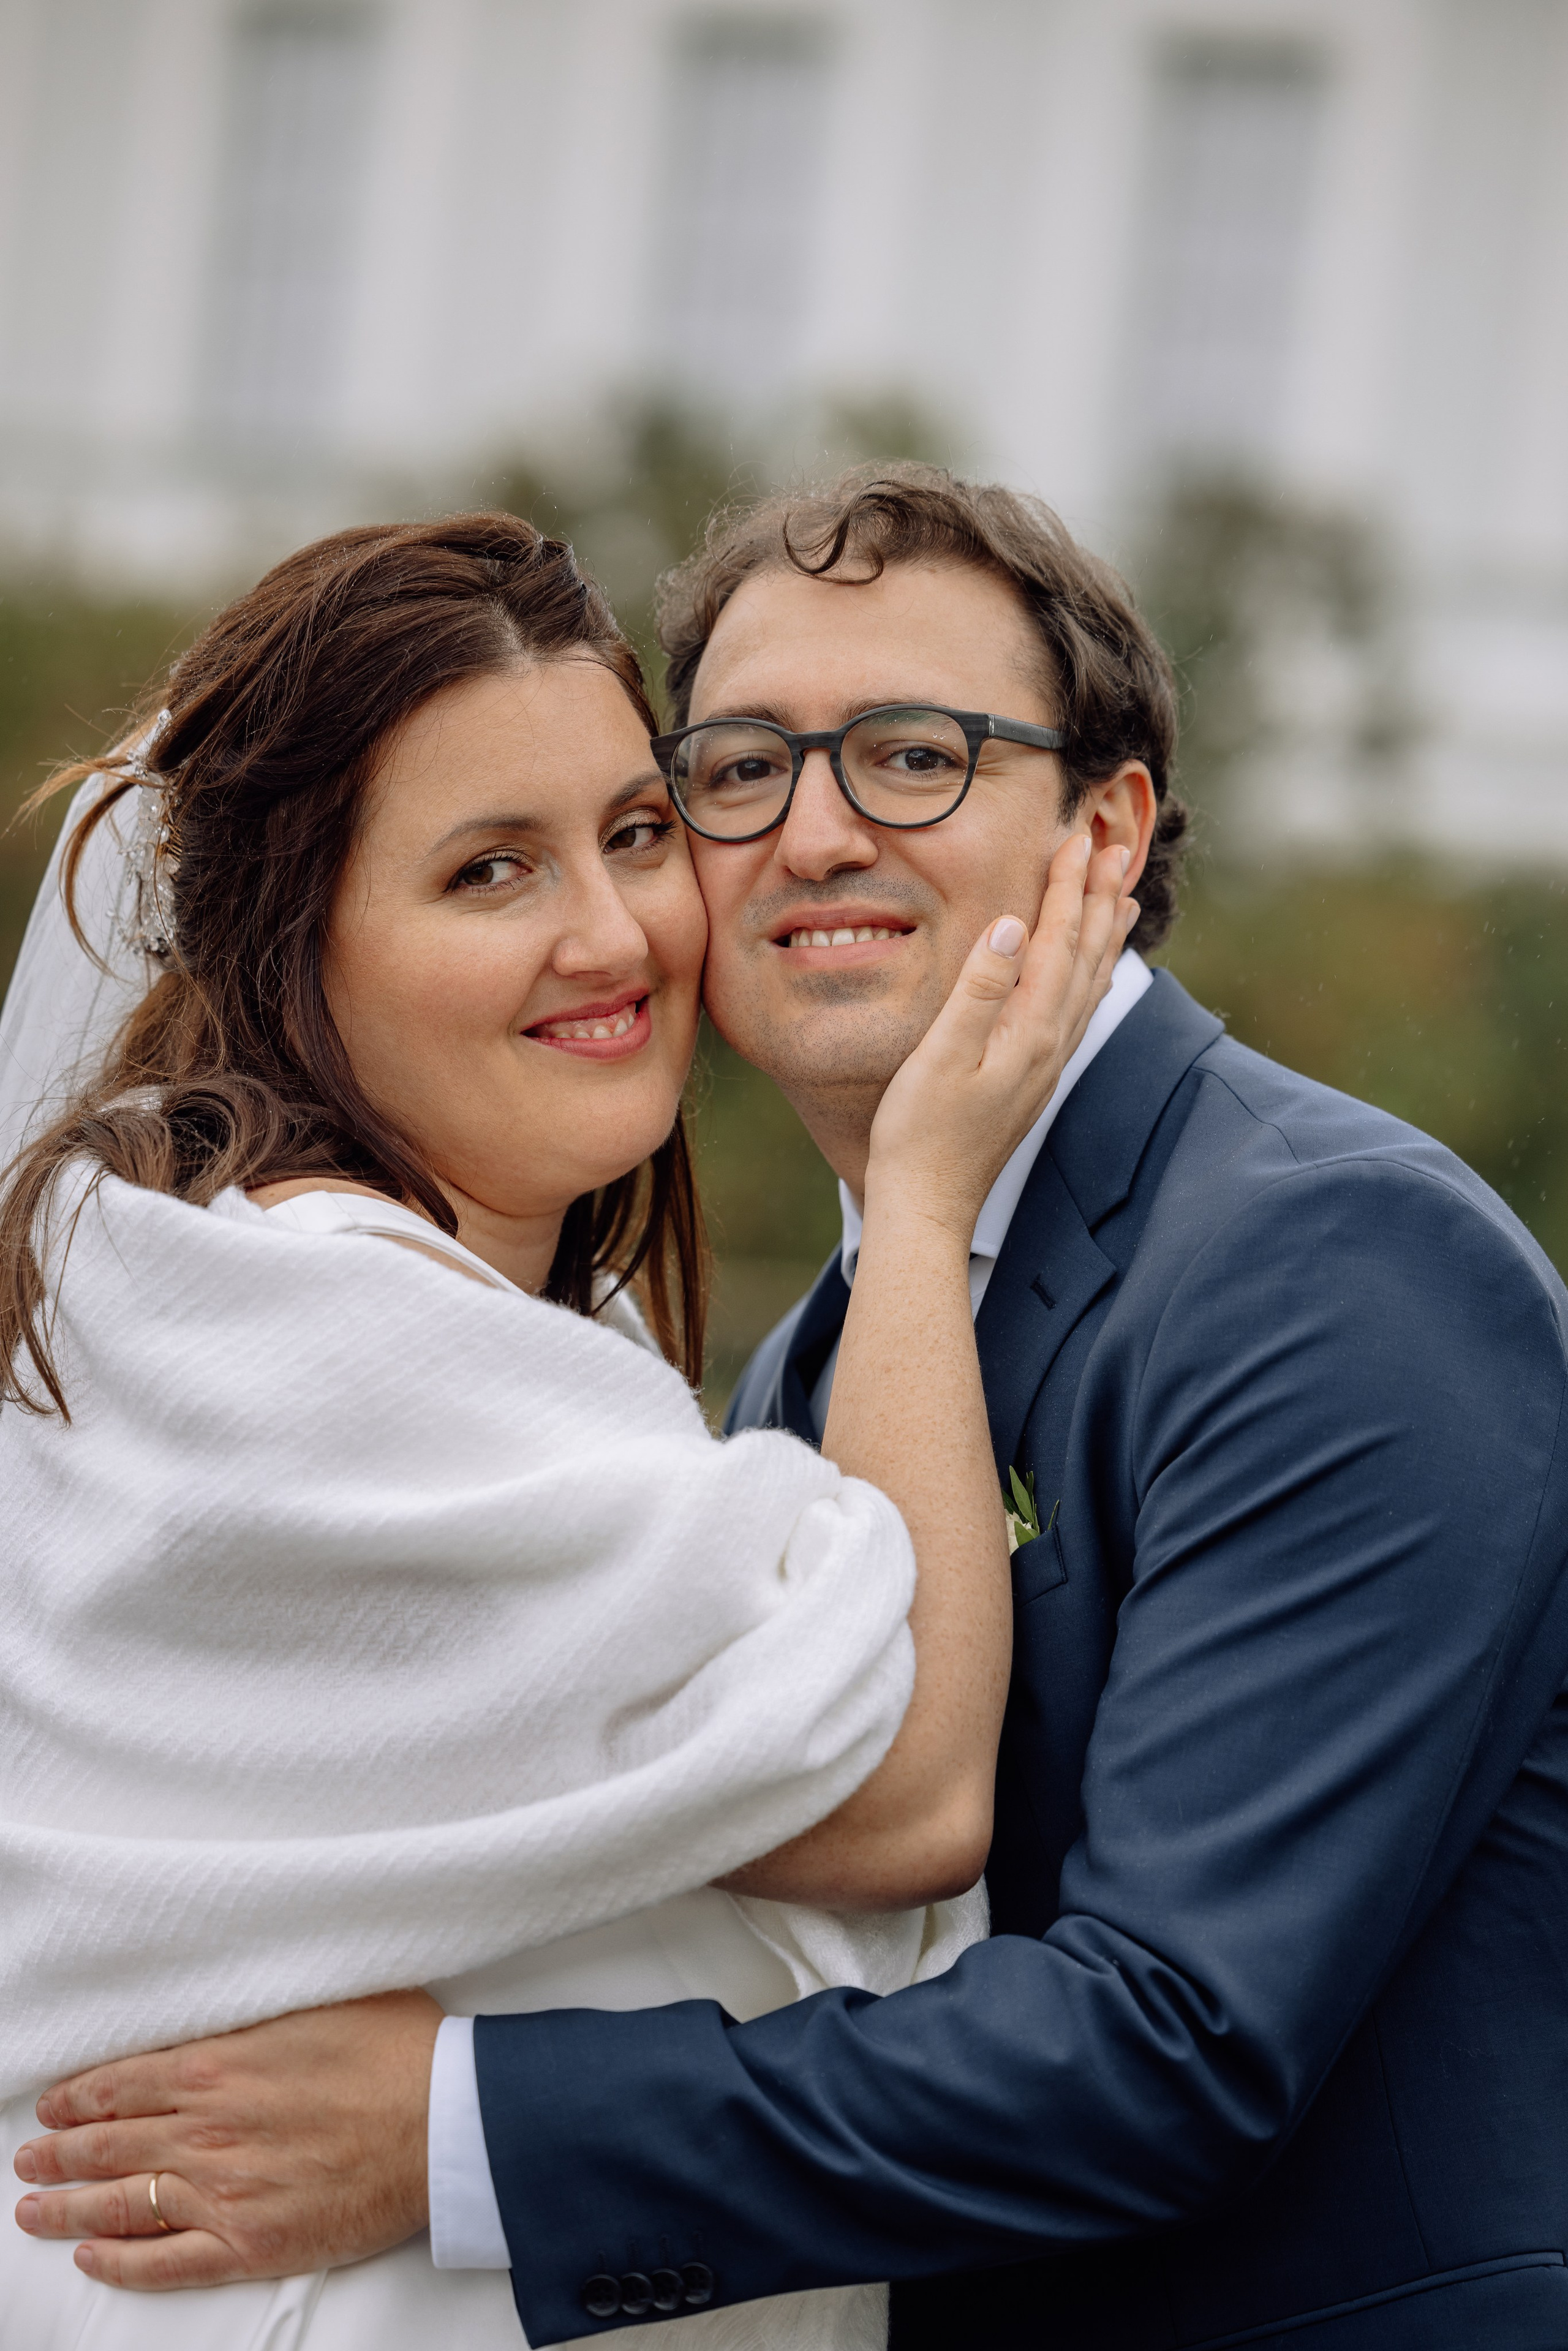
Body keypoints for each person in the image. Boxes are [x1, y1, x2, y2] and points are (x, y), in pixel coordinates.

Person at [17, 467, 1568, 2351]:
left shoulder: (1333, 1259)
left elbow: (1175, 2039)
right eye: (742, 770)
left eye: (913, 756)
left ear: (1107, 823)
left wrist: (452, 2131)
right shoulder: (818, 1362)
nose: (816, 833)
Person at [0, 505, 1135, 2351]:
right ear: (297, 943)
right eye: (489, 872)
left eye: (634, 835)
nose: (611, 937)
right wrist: (926, 1199)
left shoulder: (353, 1312)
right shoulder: (308, 1328)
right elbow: (903, 1793)